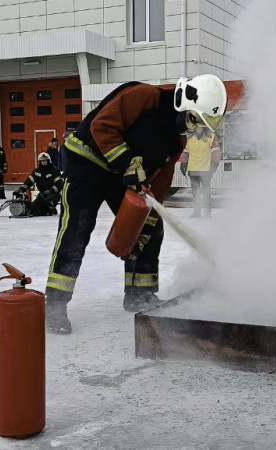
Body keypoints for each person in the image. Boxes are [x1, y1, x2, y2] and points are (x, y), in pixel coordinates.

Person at [44, 75, 227, 334]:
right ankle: (55, 304)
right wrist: (129, 163)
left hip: (119, 174)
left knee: (152, 229)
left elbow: (159, 181)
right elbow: (103, 126)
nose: (193, 128)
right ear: (183, 101)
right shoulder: (143, 97)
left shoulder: (177, 141)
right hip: (87, 161)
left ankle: (140, 295)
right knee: (78, 227)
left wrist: (147, 220)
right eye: (194, 119)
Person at [182, 127, 221, 218]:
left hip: (206, 170)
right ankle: (197, 211)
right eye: (197, 126)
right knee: (195, 192)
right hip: (193, 169)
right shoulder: (189, 138)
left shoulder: (211, 137)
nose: (199, 128)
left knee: (206, 192)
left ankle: (207, 212)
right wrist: (184, 163)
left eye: (201, 126)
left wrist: (214, 164)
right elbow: (185, 152)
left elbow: (216, 152)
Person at [13, 152, 64, 216]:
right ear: (40, 162)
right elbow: (28, 182)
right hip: (41, 194)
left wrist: (48, 192)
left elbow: (59, 185)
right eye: (42, 161)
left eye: (46, 161)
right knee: (33, 210)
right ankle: (46, 210)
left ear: (49, 161)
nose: (44, 162)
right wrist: (21, 190)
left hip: (53, 194)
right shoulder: (36, 172)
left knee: (49, 200)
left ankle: (51, 209)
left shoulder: (55, 171)